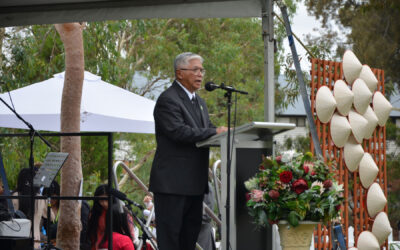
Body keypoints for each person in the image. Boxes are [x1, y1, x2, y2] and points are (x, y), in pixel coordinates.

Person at [149, 52, 227, 250]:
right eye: (195, 70)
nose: (200, 74)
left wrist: (225, 134)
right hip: (172, 185)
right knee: (171, 241)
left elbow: (206, 129)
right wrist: (213, 131)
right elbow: (179, 132)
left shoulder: (199, 103)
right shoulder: (168, 99)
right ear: (180, 73)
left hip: (194, 183)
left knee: (188, 241)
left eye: (201, 70)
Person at [12, 167, 54, 250]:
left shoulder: (14, 196)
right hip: (35, 240)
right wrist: (47, 201)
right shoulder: (40, 198)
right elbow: (52, 217)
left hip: (17, 239)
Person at [87, 184, 135, 250]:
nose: (104, 203)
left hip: (119, 245)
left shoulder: (120, 211)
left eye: (106, 200)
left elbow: (129, 231)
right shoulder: (94, 214)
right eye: (101, 200)